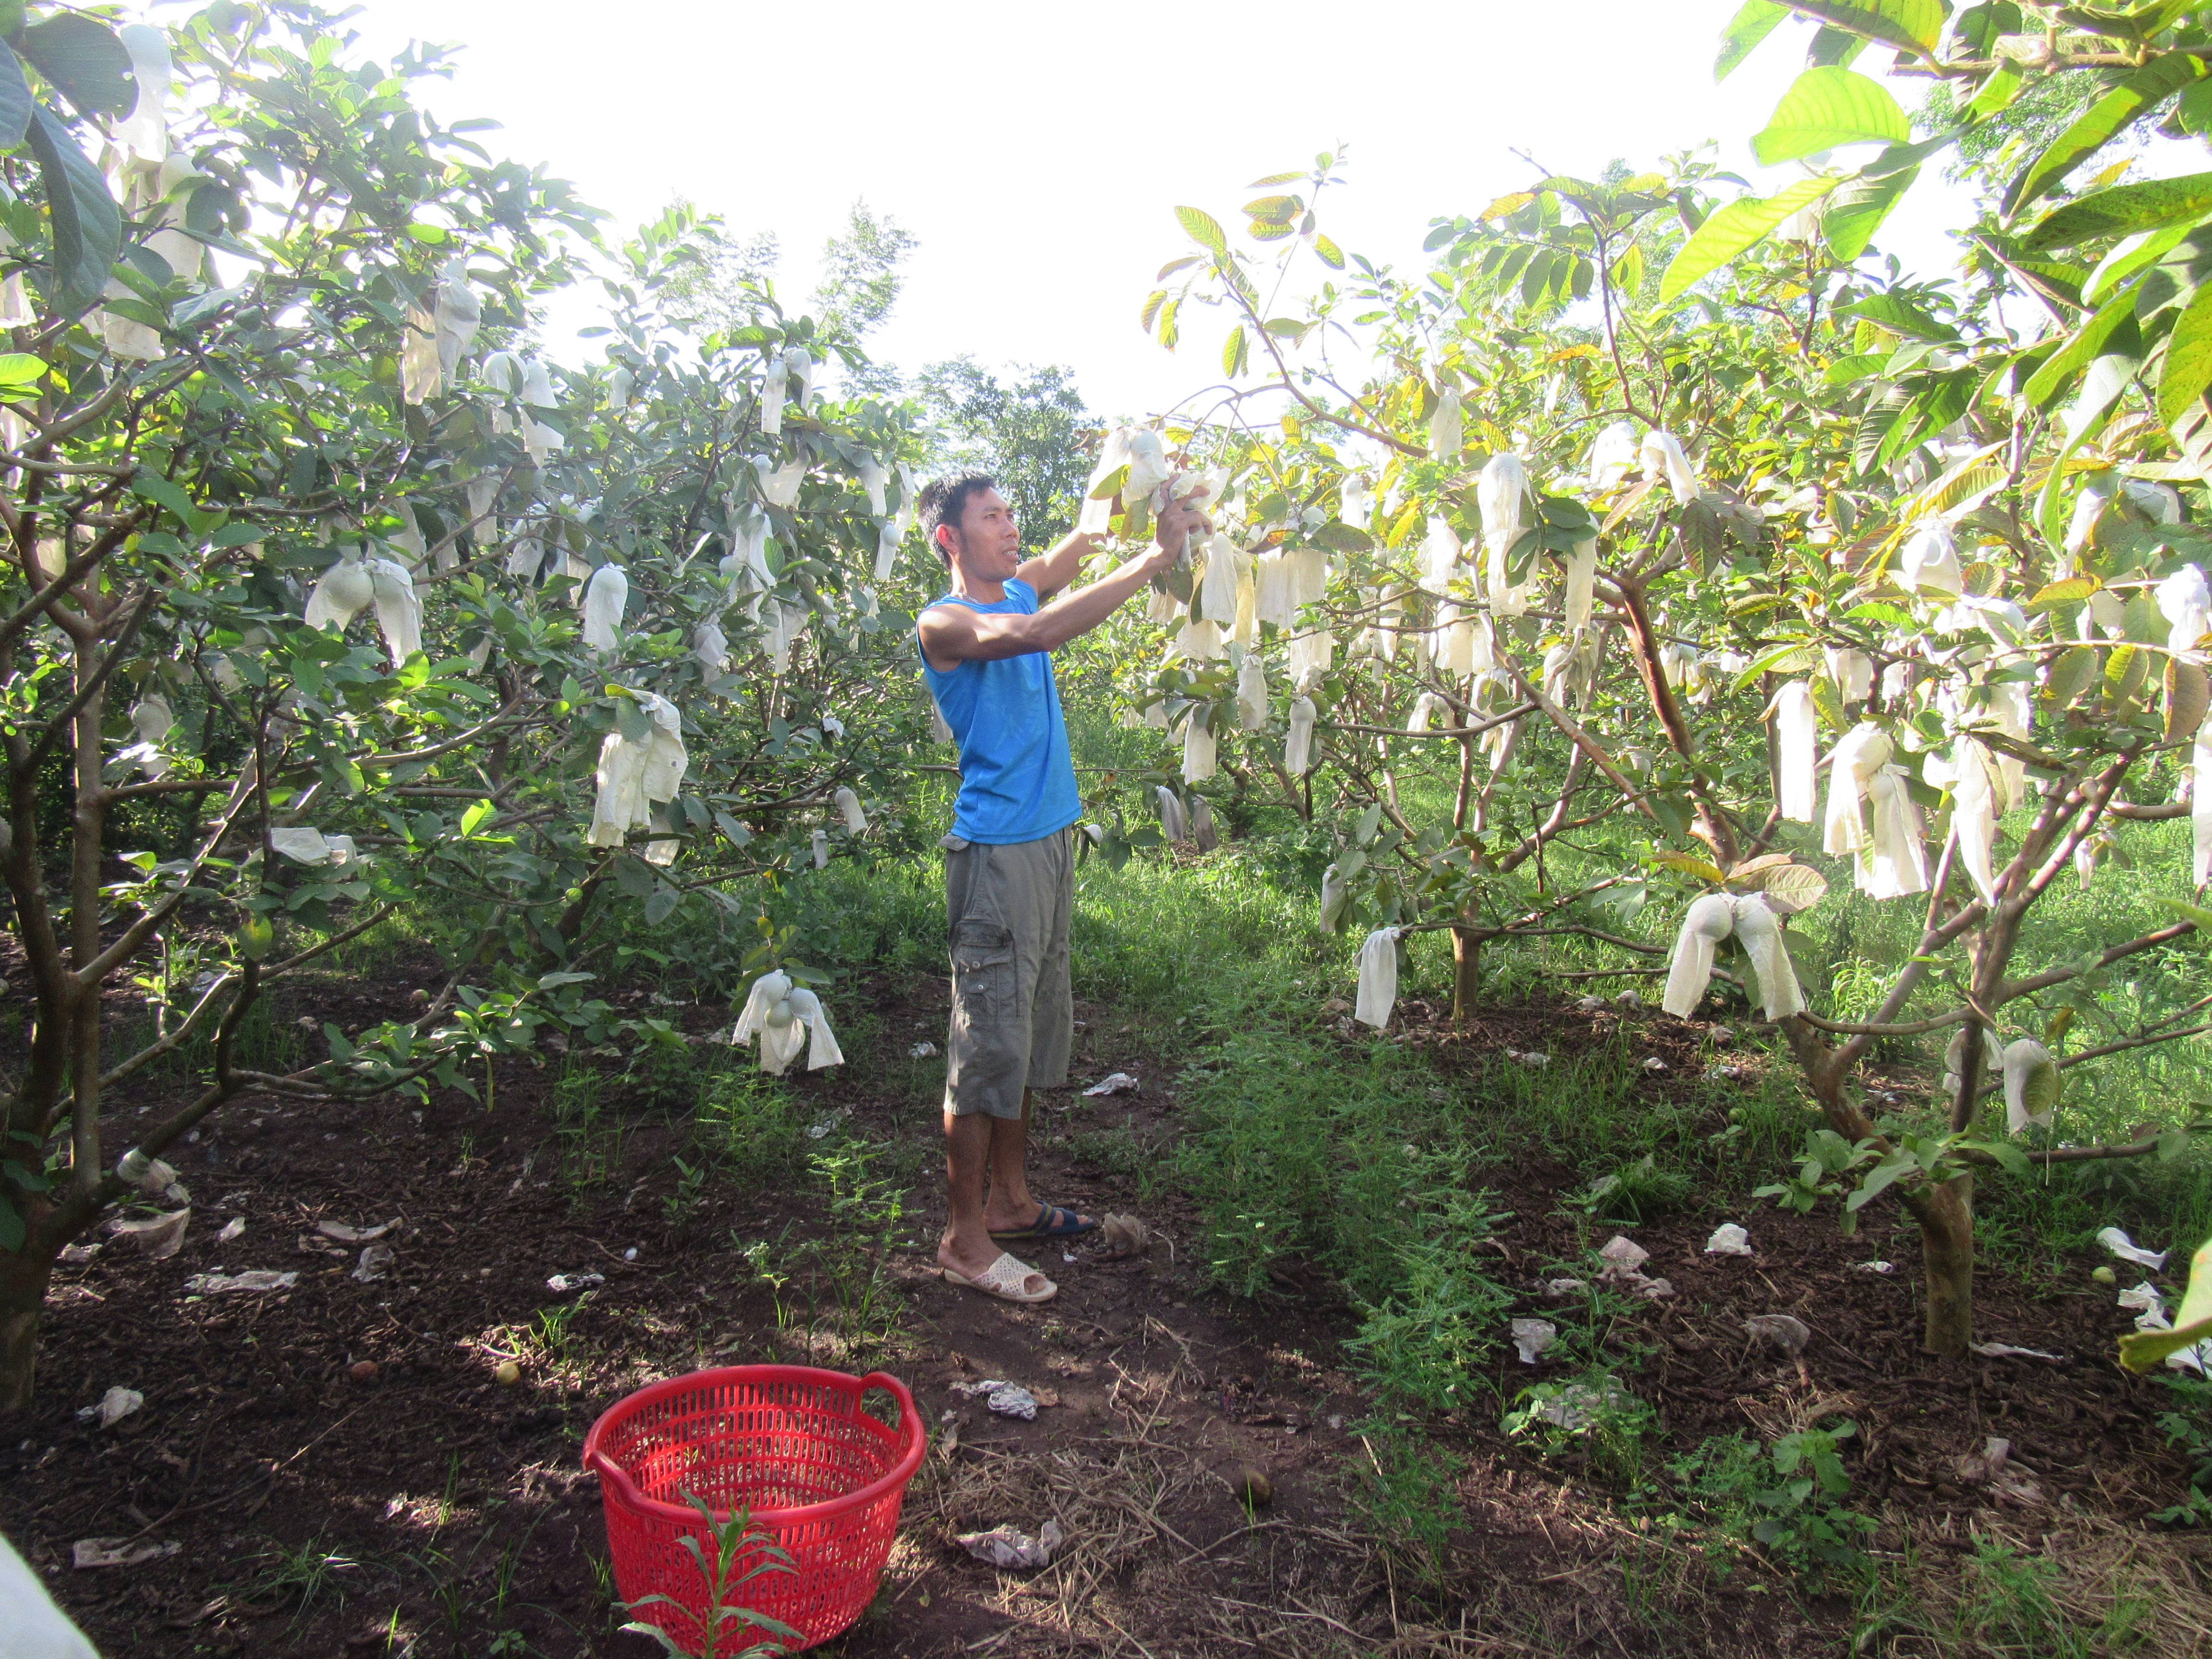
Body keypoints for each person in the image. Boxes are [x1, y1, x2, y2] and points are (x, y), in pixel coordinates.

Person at [916, 471, 1205, 1304]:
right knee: (985, 1045)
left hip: (1046, 846)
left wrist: (1138, 482)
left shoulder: (1016, 579)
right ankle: (964, 1239)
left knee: (1030, 1029)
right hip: (996, 855)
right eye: (991, 518)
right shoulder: (946, 621)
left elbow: (1075, 546)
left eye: (1012, 514)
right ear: (950, 538)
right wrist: (1154, 563)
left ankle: (1010, 1203)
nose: (1010, 528)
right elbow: (1037, 630)